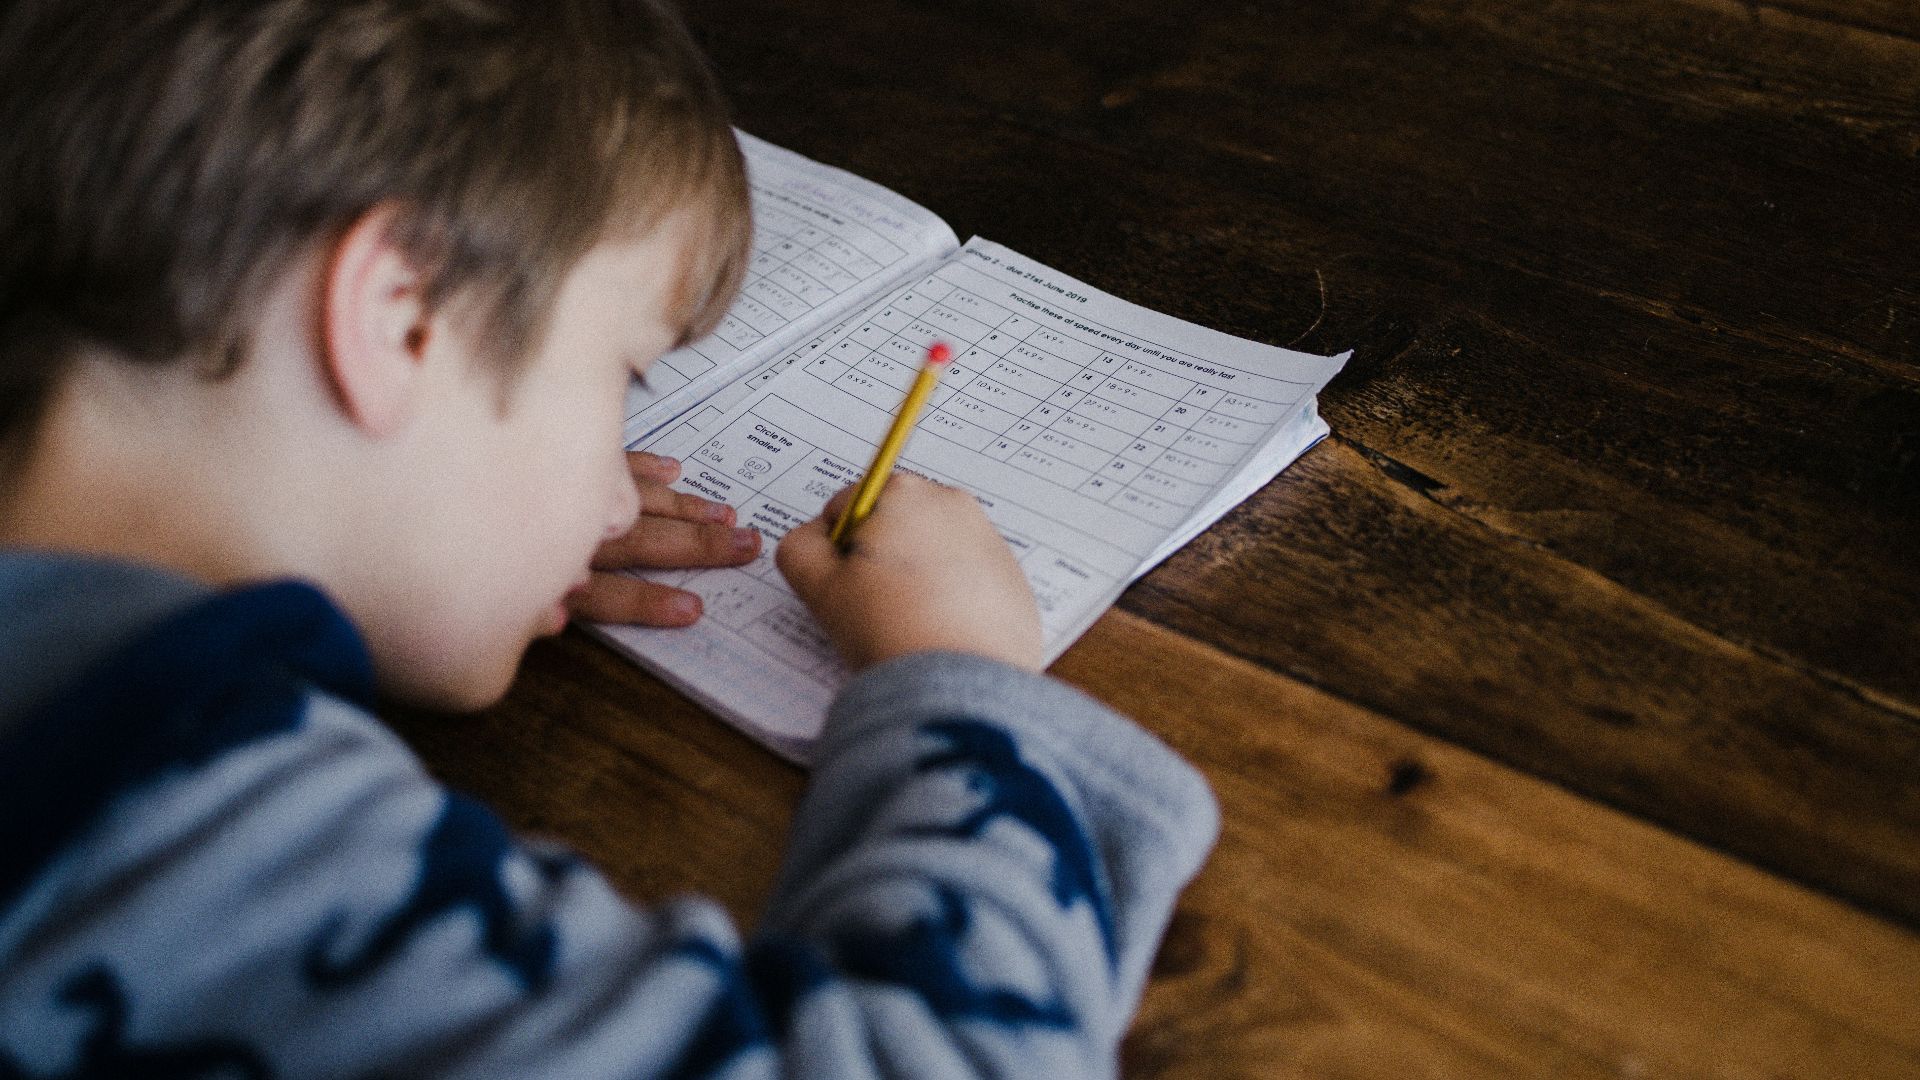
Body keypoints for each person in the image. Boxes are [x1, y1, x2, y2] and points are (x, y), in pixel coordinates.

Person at [0, 0, 1219, 1075]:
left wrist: (420, 543)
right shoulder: (176, 830)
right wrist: (961, 684)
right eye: (622, 376)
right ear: (402, 317)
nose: (621, 500)